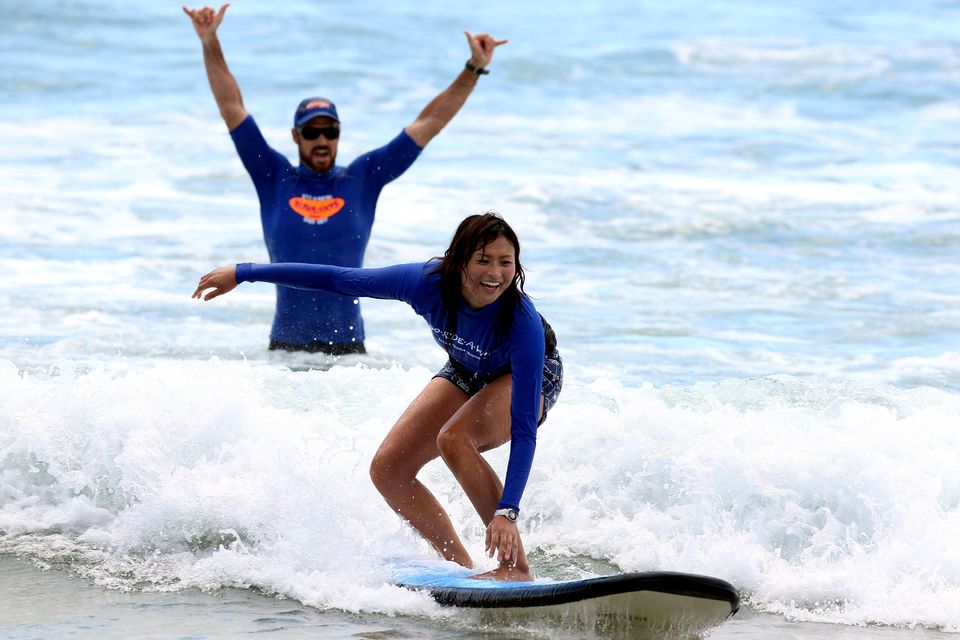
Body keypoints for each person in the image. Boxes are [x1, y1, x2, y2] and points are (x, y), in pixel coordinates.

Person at [193, 212, 562, 581]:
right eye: (483, 260)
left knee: (454, 438)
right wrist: (244, 272)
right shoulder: (425, 283)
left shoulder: (521, 321)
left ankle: (515, 568)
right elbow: (339, 279)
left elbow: (525, 429)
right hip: (468, 366)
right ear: (458, 260)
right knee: (389, 470)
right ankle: (460, 570)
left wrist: (508, 510)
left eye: (505, 262)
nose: (495, 273)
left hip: (528, 374)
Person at [183, 4, 507, 355]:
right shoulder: (272, 175)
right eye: (312, 131)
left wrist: (474, 68)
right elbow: (232, 107)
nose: (321, 140)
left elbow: (428, 124)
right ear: (296, 136)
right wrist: (209, 41)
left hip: (350, 356)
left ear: (338, 134)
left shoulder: (363, 177)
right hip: (284, 351)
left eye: (330, 130)